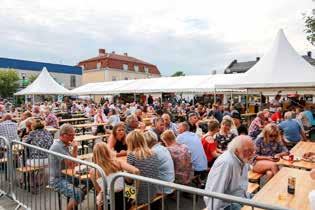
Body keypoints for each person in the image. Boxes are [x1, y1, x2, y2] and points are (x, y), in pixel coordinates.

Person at [204, 135, 255, 210]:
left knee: (263, 199)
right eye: (248, 150)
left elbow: (250, 168)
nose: (252, 153)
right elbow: (216, 190)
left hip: (240, 197)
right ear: (236, 150)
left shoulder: (242, 158)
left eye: (252, 150)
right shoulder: (226, 163)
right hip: (227, 204)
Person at [89, 142, 139, 210]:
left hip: (110, 201)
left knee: (99, 200)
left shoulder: (93, 171)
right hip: (125, 199)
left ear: (95, 155)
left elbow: (99, 190)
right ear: (108, 151)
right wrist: (135, 191)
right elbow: (136, 171)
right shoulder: (117, 162)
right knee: (127, 181)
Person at [49, 124, 86, 210]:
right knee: (78, 194)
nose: (73, 137)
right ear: (63, 135)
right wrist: (75, 148)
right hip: (57, 179)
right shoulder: (57, 147)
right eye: (71, 135)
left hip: (68, 175)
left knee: (91, 181)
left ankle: (75, 199)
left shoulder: (65, 144)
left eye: (74, 134)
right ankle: (76, 198)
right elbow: (73, 165)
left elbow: (73, 164)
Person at [126, 130, 160, 206]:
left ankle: (128, 202)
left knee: (121, 182)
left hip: (139, 196)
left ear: (130, 143)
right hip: (153, 191)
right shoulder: (153, 152)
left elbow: (129, 179)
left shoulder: (132, 155)